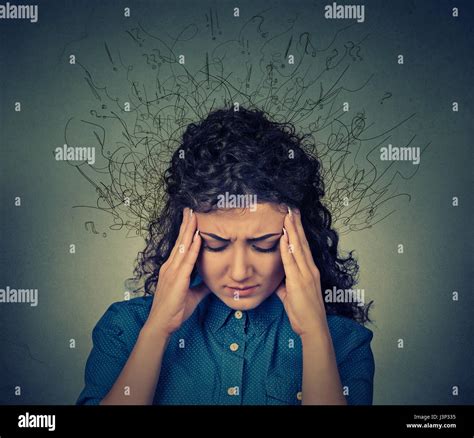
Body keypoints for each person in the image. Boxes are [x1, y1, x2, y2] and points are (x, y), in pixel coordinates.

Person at [77, 106, 374, 405]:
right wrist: (156, 331)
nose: (240, 272)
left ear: (300, 238)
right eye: (215, 245)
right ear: (185, 237)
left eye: (265, 244)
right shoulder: (125, 327)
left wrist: (314, 335)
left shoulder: (344, 342)